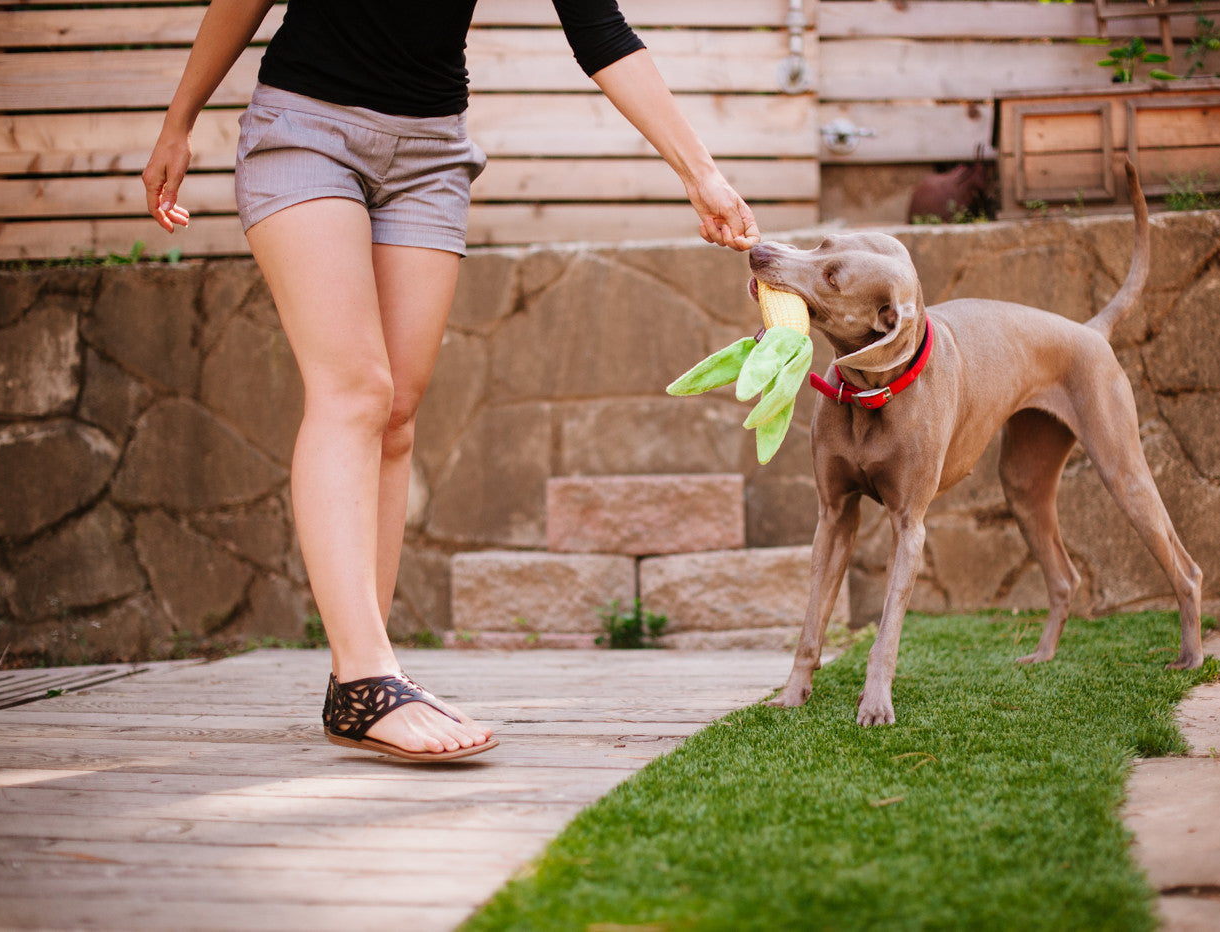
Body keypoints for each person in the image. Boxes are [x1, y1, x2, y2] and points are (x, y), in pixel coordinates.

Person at [143, 0, 760, 763]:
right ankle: (370, 679)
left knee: (397, 412)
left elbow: (598, 30)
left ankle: (359, 681)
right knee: (355, 390)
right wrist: (180, 119)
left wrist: (702, 174)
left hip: (431, 152)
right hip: (306, 128)